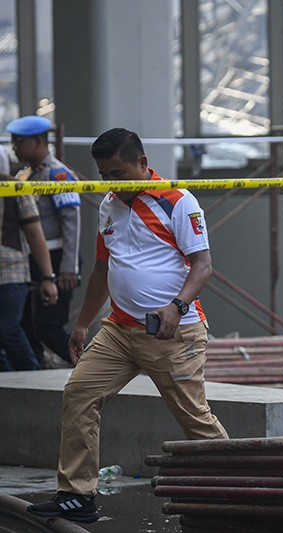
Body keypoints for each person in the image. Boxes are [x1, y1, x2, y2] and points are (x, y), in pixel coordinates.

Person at [28, 128, 228, 523]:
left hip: (173, 332)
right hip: (118, 332)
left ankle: (237, 485)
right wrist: (82, 324)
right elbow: (103, 267)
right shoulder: (109, 205)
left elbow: (203, 265)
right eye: (105, 176)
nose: (113, 184)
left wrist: (176, 306)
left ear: (142, 164)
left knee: (194, 418)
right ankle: (77, 495)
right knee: (80, 394)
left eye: (119, 173)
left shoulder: (177, 201)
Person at [8, 116, 81, 367]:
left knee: (48, 327)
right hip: (32, 261)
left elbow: (71, 221)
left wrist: (68, 267)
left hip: (57, 258)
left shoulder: (58, 175)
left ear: (39, 141)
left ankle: (91, 365)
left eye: (19, 141)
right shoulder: (24, 176)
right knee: (27, 326)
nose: (14, 147)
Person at [0, 174, 59, 371]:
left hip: (11, 272)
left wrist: (49, 278)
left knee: (7, 329)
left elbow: (35, 233)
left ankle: (33, 378)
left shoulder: (16, 187)